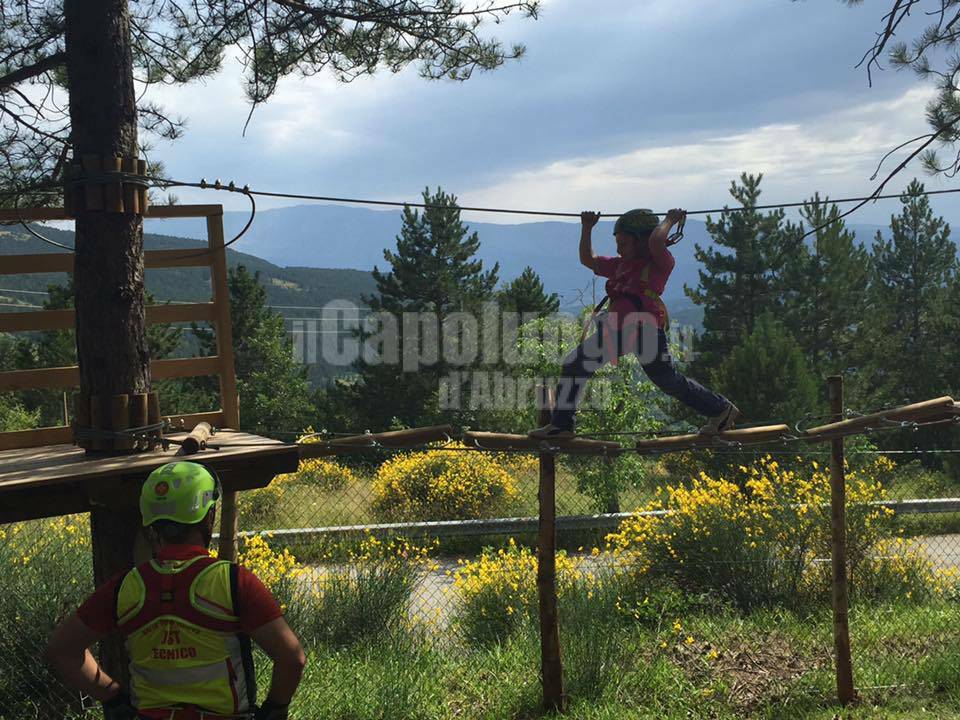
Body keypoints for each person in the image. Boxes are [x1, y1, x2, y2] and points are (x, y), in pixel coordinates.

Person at [46, 461, 306, 720]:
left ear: (151, 521)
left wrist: (113, 698)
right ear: (208, 515)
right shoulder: (233, 582)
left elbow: (62, 649)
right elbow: (292, 658)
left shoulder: (125, 587)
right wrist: (275, 708)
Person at [529, 208, 739, 439]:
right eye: (618, 243)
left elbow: (658, 242)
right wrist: (587, 227)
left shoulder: (660, 262)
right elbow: (587, 259)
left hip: (642, 329)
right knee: (576, 364)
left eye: (624, 243)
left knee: (667, 380)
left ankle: (721, 409)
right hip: (620, 329)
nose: (619, 248)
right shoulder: (620, 264)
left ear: (642, 242)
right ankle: (561, 426)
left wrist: (670, 220)